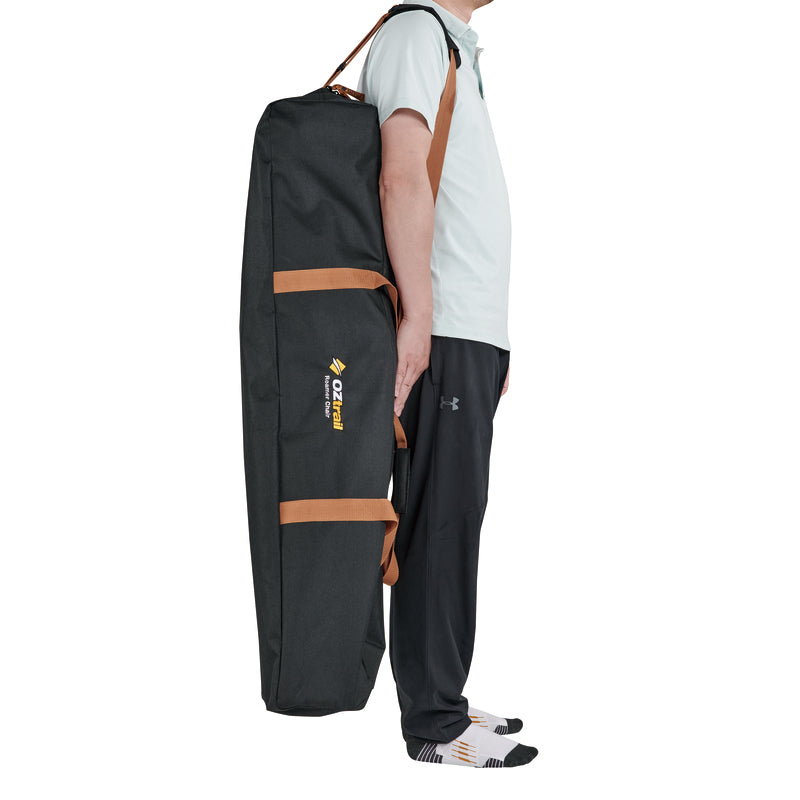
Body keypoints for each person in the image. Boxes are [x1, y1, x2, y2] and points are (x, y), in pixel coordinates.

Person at [357, 0, 538, 768]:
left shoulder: (452, 46)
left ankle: (444, 699)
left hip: (467, 333)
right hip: (442, 329)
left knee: (455, 517)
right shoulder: (414, 34)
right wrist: (423, 319)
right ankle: (433, 723)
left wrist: (491, 337)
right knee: (437, 522)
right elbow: (400, 177)